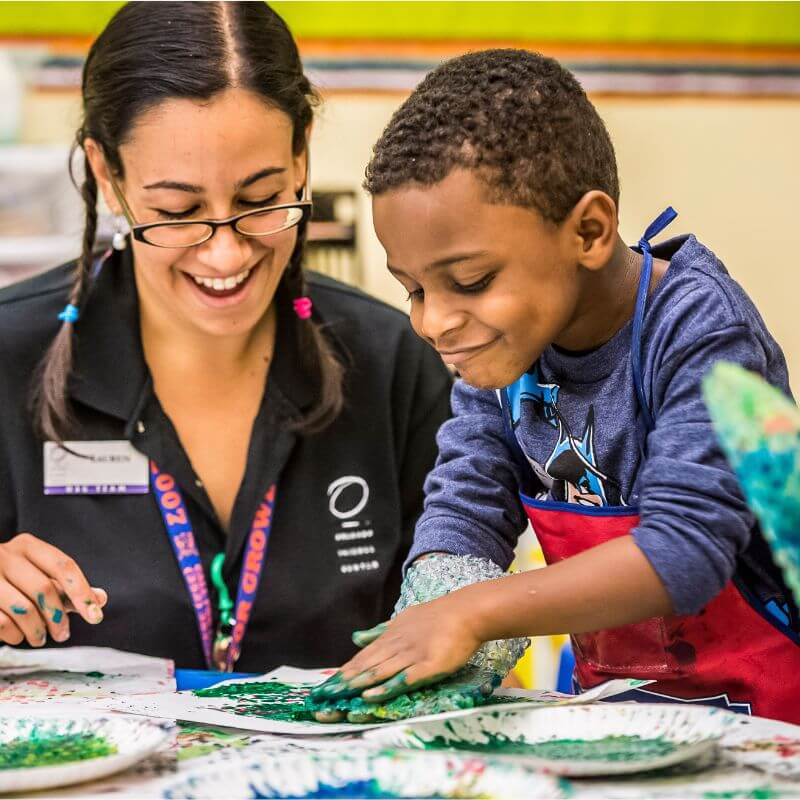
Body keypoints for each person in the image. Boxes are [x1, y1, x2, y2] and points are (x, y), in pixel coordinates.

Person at [314, 49, 800, 723]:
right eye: (414, 289)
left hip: (766, 726)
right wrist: (434, 610)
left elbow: (685, 550)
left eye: (472, 281)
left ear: (589, 232)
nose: (433, 321)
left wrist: (474, 613)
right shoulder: (505, 354)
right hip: (617, 718)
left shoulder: (700, 329)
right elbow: (468, 502)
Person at [0, 1, 451, 673]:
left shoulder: (395, 367)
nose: (225, 255)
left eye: (258, 200)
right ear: (107, 173)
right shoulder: (9, 356)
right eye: (177, 211)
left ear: (300, 157)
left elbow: (453, 613)